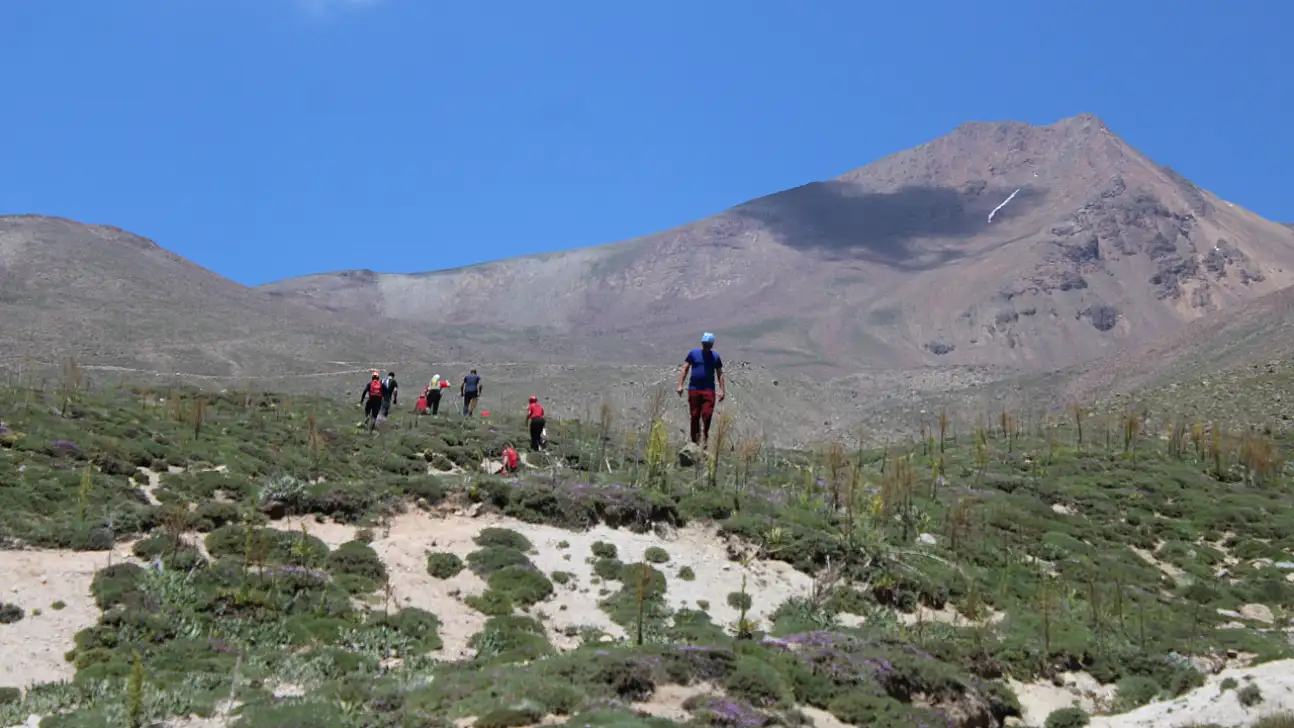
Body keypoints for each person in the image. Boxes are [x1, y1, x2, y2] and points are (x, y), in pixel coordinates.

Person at [676, 332, 726, 446]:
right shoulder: (693, 354)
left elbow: (720, 374)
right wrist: (680, 385)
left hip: (708, 390)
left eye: (708, 345)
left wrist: (722, 390)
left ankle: (704, 438)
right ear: (701, 343)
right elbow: (685, 369)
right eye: (704, 344)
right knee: (694, 415)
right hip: (694, 389)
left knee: (707, 415)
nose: (706, 347)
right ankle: (694, 441)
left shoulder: (715, 357)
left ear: (712, 345)